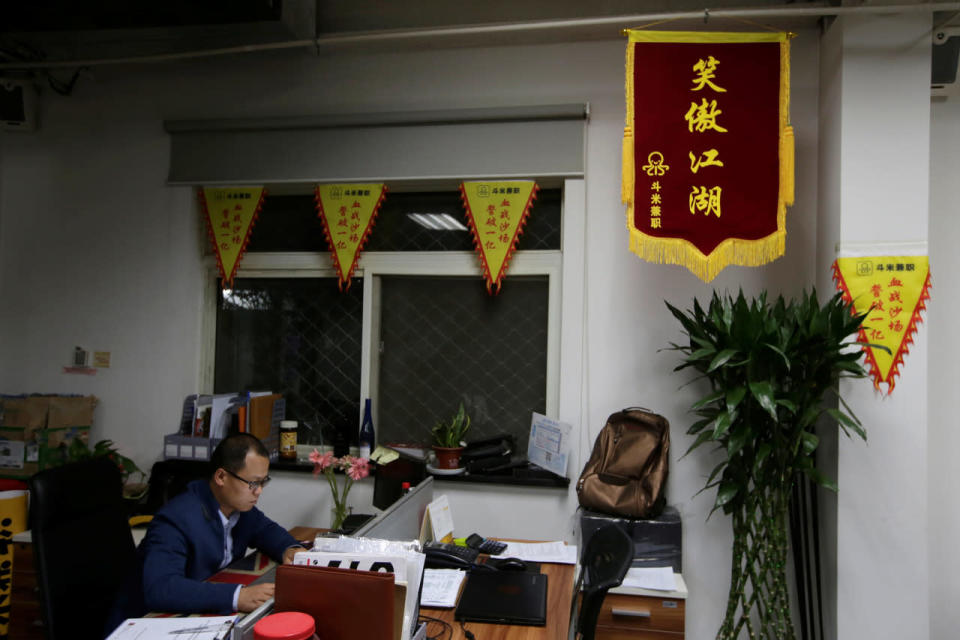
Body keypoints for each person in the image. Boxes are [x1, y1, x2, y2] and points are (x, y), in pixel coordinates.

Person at [139, 433, 304, 614]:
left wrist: (290, 549)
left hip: (205, 607)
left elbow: (266, 530)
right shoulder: (175, 520)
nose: (259, 491)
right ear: (221, 477)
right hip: (148, 621)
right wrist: (236, 597)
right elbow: (161, 589)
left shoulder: (238, 507)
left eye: (263, 482)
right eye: (253, 483)